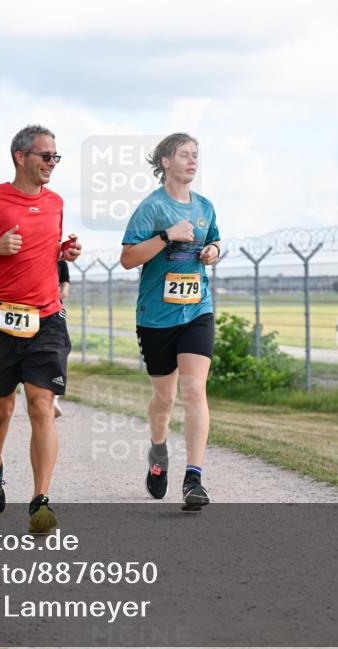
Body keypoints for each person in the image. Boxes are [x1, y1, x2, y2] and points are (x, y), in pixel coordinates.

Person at [0, 124, 82, 533]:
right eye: (46, 156)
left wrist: (64, 252)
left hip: (46, 317)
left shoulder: (56, 203)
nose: (52, 163)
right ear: (20, 157)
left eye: (56, 157)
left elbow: (43, 250)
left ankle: (41, 501)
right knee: (2, 408)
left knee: (41, 405)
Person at [119, 132, 220, 512]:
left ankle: (194, 478)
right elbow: (128, 259)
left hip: (197, 310)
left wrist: (213, 250)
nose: (193, 161)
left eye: (196, 155)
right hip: (157, 318)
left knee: (195, 390)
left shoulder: (205, 206)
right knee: (165, 399)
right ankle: (158, 450)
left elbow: (216, 240)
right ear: (165, 162)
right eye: (184, 155)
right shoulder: (151, 208)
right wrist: (167, 236)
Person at [52, 258, 71, 418]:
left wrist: (62, 291)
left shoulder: (60, 261)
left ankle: (54, 398)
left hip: (53, 311)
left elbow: (65, 283)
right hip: (25, 310)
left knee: (58, 354)